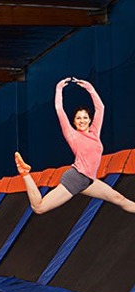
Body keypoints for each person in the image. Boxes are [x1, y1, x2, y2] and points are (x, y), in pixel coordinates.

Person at [14, 78, 135, 214]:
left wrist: (89, 88)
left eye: (85, 118)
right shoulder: (72, 135)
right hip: (76, 178)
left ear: (90, 120)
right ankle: (25, 173)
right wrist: (59, 89)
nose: (82, 121)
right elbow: (60, 110)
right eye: (78, 118)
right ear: (74, 122)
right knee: (39, 208)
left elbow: (100, 108)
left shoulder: (94, 133)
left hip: (89, 181)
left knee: (118, 198)